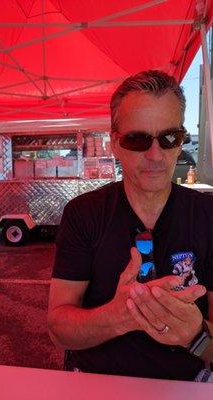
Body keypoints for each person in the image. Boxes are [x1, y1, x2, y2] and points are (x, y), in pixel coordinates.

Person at [47, 70, 213, 382]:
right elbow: (59, 330)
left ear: (180, 142)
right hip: (97, 381)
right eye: (137, 139)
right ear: (115, 144)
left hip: (186, 384)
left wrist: (196, 335)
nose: (155, 155)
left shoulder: (208, 215)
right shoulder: (84, 214)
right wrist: (120, 316)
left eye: (169, 138)